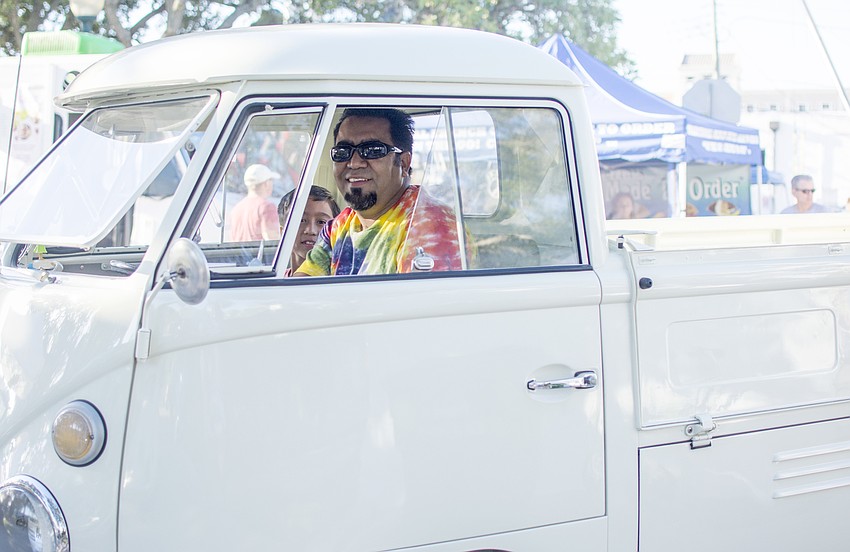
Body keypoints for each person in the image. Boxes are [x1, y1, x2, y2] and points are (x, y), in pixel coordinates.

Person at [295, 108, 463, 276]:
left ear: (403, 164)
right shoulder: (338, 227)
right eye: (342, 152)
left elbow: (418, 300)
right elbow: (302, 289)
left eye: (373, 151)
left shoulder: (429, 225)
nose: (354, 163)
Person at [277, 186, 341, 276]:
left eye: (321, 222)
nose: (311, 231)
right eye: (301, 220)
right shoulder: (275, 283)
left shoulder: (339, 283)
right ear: (283, 232)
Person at [228, 163, 281, 241]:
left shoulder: (236, 209)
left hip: (238, 253)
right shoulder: (266, 207)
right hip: (259, 253)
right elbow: (272, 240)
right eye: (271, 180)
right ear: (266, 183)